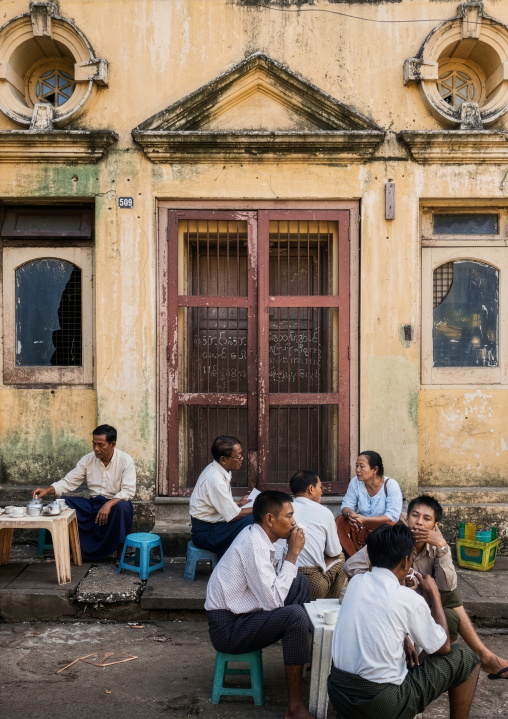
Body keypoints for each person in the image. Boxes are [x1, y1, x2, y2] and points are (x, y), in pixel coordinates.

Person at [344, 494, 508, 681]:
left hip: (421, 606)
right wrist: (387, 582)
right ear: (407, 517)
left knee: (451, 612)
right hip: (389, 607)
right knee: (451, 603)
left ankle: (421, 662)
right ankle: (486, 657)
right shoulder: (393, 540)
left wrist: (442, 546)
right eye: (415, 515)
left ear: (435, 526)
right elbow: (351, 566)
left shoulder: (437, 545)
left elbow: (447, 586)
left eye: (427, 518)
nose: (419, 523)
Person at [328, 524, 480, 719]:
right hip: (380, 703)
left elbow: (380, 614)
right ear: (405, 561)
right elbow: (444, 648)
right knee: (465, 657)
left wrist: (404, 637)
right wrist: (433, 593)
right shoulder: (408, 599)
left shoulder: (356, 583)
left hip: (339, 693)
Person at [205, 490, 314, 719]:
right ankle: (294, 707)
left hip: (244, 613)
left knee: (300, 581)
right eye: (289, 516)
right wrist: (293, 554)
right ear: (270, 520)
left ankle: (299, 653)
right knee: (295, 616)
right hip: (229, 628)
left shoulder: (259, 536)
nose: (294, 522)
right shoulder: (254, 545)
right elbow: (273, 600)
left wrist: (289, 555)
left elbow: (274, 586)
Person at [32, 425, 135, 562]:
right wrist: (48, 490)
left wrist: (109, 504)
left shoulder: (125, 461)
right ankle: (69, 548)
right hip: (93, 504)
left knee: (124, 507)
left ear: (112, 444)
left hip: (114, 505)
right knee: (63, 503)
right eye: (94, 443)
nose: (96, 448)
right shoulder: (88, 459)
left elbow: (128, 491)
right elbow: (69, 481)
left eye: (100, 445)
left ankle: (120, 554)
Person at [189, 435, 254, 557]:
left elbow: (216, 503)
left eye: (242, 454)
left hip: (215, 526)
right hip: (206, 534)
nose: (242, 458)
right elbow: (234, 515)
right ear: (223, 459)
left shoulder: (218, 469)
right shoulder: (215, 479)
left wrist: (237, 503)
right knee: (254, 519)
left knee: (252, 520)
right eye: (238, 456)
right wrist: (261, 508)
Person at [290, 469, 347, 601]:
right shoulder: (324, 512)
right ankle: (328, 606)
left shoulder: (283, 510)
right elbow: (334, 552)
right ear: (311, 489)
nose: (322, 491)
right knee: (341, 557)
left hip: (283, 577)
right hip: (312, 581)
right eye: (320, 487)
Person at [336, 450, 403, 557]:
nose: (357, 470)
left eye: (362, 466)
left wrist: (366, 520)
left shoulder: (391, 485)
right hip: (361, 525)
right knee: (340, 521)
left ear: (375, 469)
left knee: (390, 527)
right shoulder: (355, 482)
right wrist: (350, 515)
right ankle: (352, 556)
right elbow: (346, 506)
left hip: (383, 528)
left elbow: (393, 516)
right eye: (356, 466)